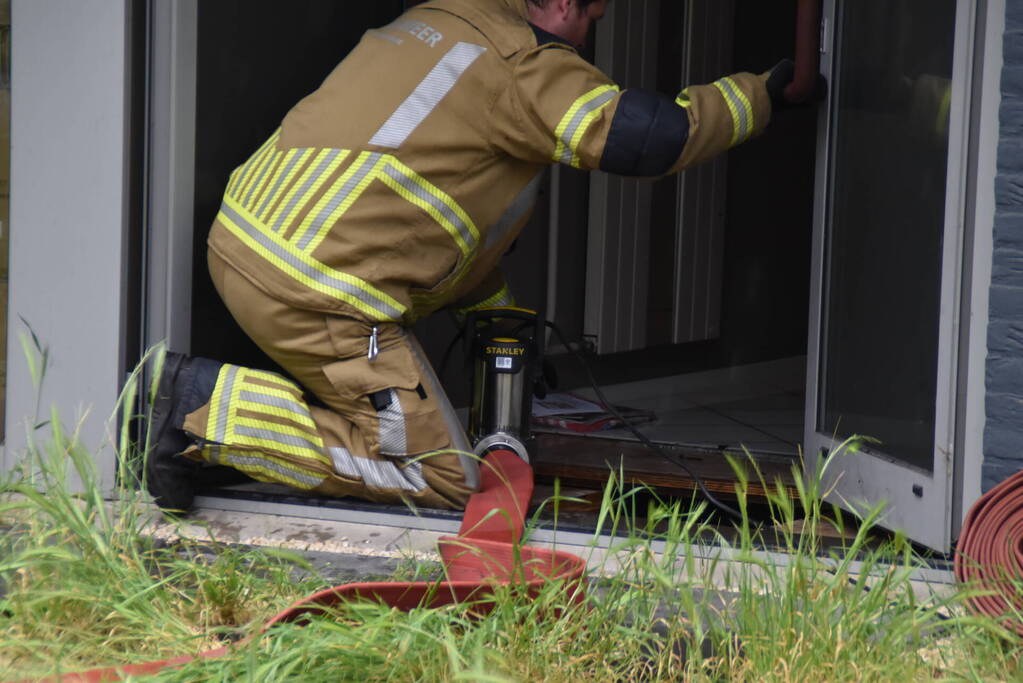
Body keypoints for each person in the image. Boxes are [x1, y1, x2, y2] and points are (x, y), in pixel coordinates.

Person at [146, 0, 805, 514]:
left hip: (245, 245)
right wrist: (765, 93)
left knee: (393, 430)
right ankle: (202, 411)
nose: (586, 41)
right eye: (592, 19)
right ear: (565, 4)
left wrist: (503, 326)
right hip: (321, 295)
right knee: (443, 476)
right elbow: (653, 138)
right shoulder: (526, 67)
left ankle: (219, 416)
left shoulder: (442, 16)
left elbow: (440, 224)